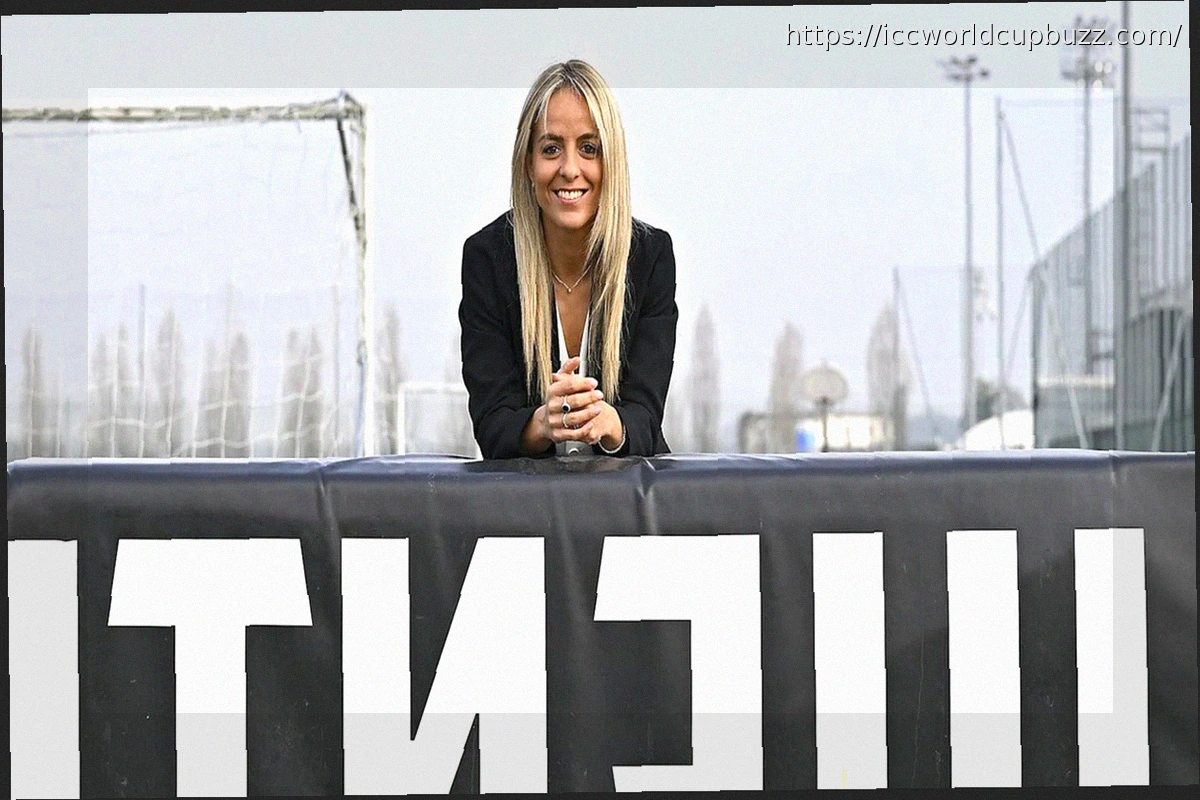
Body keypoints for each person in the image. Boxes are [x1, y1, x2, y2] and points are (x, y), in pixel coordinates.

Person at [459, 59, 678, 459]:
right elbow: (492, 424)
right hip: (525, 497)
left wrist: (606, 422)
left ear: (611, 162)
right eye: (551, 149)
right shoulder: (486, 259)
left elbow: (645, 418)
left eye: (589, 148)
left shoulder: (650, 257)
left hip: (627, 496)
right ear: (528, 163)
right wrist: (542, 424)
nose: (570, 169)